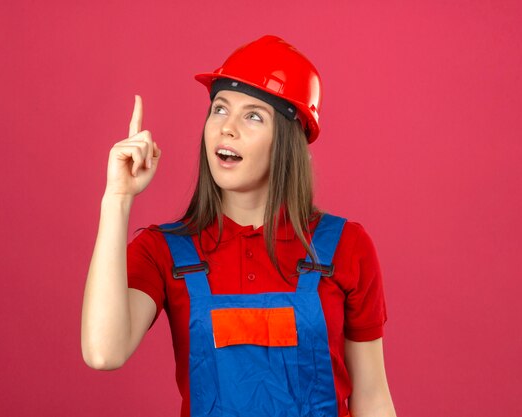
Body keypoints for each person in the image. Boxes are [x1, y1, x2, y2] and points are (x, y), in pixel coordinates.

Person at [81, 35, 396, 417]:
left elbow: (372, 397)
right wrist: (117, 199)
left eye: (252, 115)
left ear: (287, 140)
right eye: (219, 109)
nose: (227, 128)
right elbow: (103, 352)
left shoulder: (344, 246)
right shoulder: (163, 251)